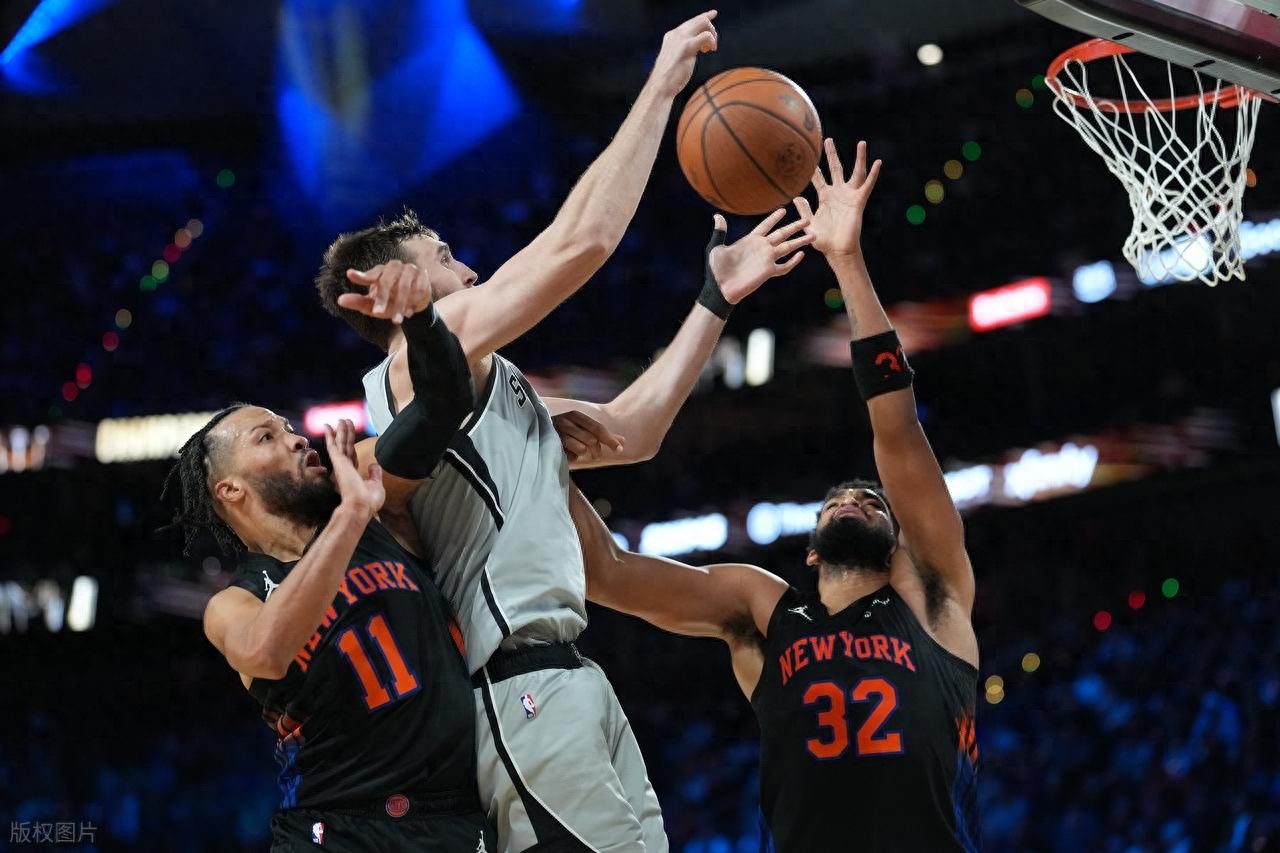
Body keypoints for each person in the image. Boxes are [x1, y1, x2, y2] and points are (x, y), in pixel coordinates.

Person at [313, 12, 814, 852]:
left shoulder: (487, 392)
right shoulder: (415, 364)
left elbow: (632, 441)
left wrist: (715, 298)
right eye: (445, 256)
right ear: (399, 284)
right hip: (519, 692)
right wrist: (661, 85)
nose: (470, 268)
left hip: (569, 682)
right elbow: (581, 242)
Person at [568, 141, 982, 853]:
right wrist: (541, 460)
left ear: (896, 542)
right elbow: (606, 573)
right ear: (812, 551)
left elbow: (897, 427)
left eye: (873, 500)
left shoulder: (932, 597)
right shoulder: (764, 608)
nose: (856, 496)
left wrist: (846, 261)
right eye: (840, 498)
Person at [165, 277, 496, 851]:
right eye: (266, 437)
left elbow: (444, 407)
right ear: (231, 490)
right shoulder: (235, 602)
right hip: (335, 829)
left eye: (290, 429)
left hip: (455, 818)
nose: (296, 440)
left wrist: (421, 319)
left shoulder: (369, 496)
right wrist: (351, 515)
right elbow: (267, 651)